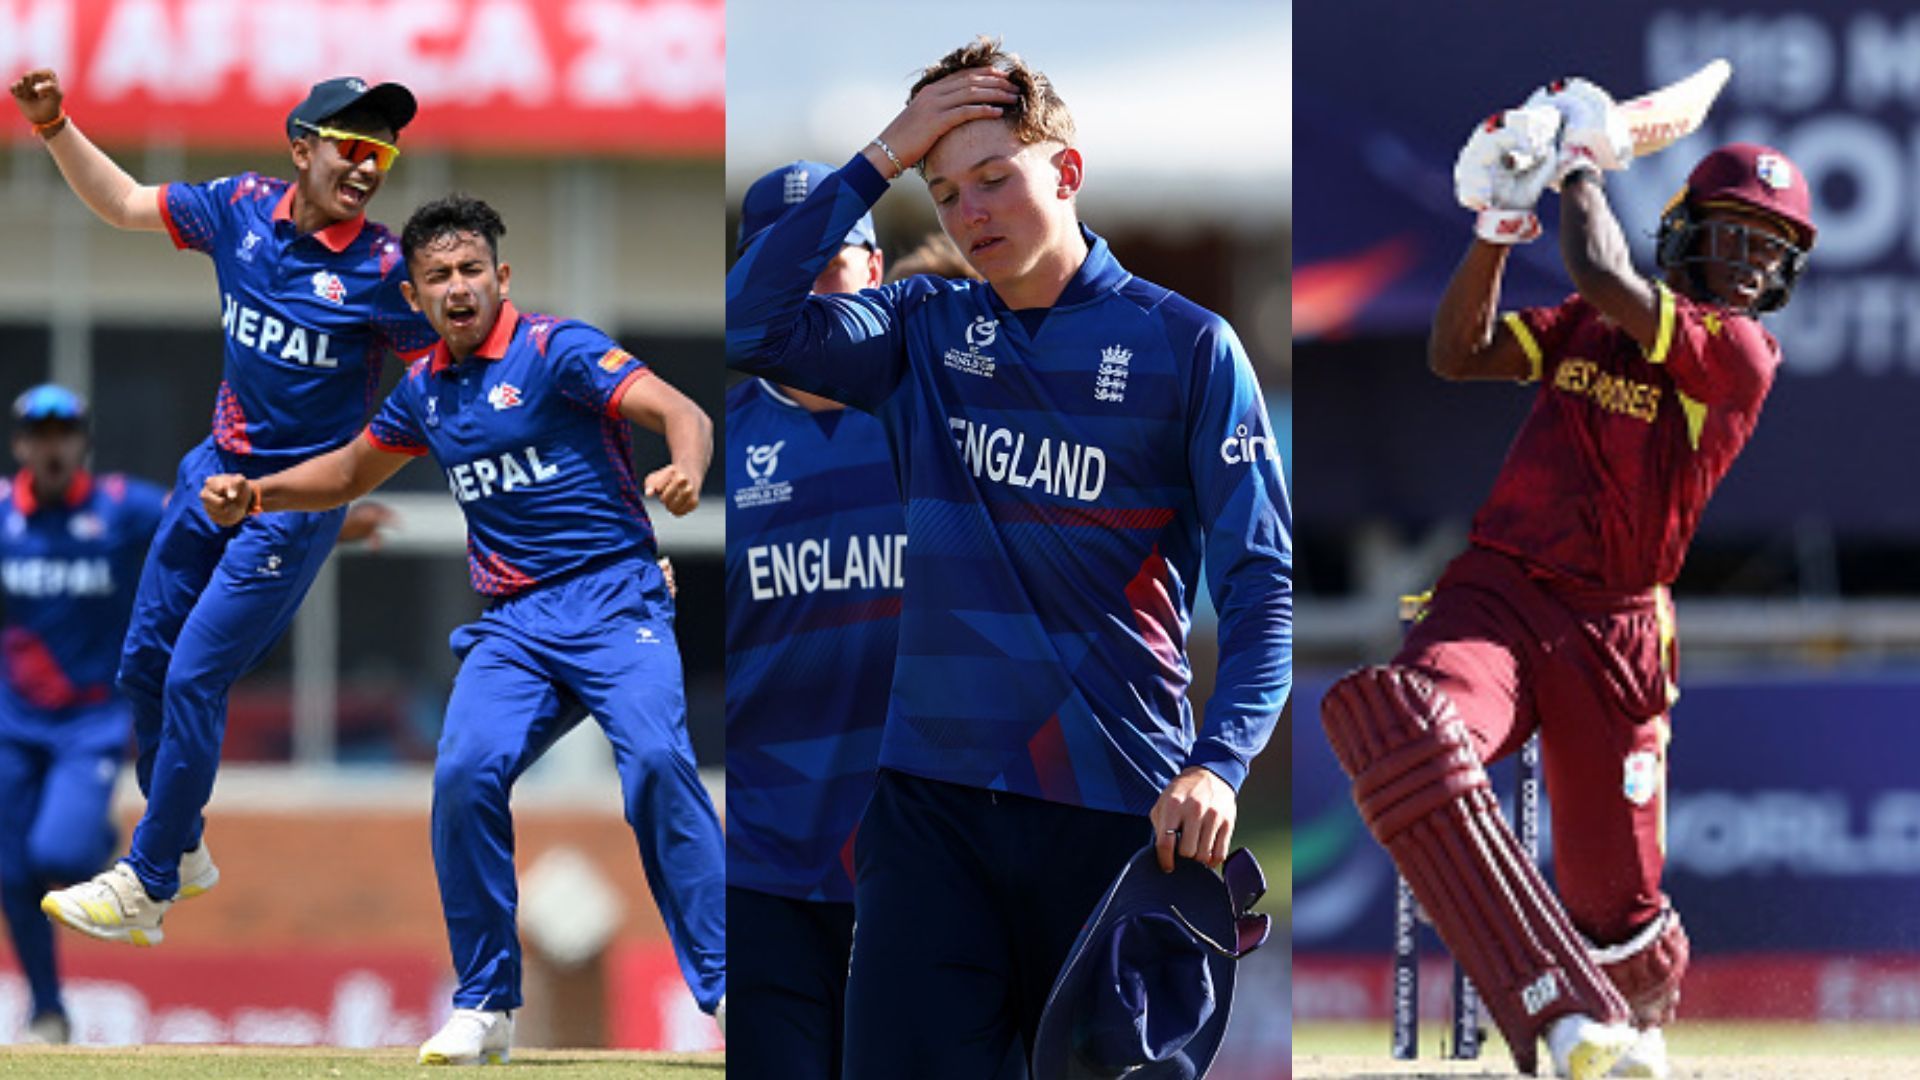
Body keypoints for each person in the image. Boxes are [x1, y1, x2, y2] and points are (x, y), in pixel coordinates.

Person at [725, 39, 1292, 1077]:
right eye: (943, 193)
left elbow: (1261, 588)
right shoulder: (920, 328)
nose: (969, 212)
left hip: (1118, 812)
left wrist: (1219, 762)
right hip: (928, 810)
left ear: (1066, 172)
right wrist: (882, 153)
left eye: (995, 179)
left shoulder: (1189, 345)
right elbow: (751, 322)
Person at [1318, 79, 1817, 1080]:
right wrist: (1499, 223)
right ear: (1683, 233)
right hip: (1496, 594)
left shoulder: (1740, 357)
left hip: (1618, 636)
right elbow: (1457, 351)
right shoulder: (1591, 332)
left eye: (1775, 248)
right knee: (1402, 724)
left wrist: (1580, 161)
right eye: (1738, 235)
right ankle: (1560, 1016)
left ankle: (1616, 1023)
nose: (1756, 262)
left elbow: (1596, 262)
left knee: (1624, 933)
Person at [197, 194, 725, 1065]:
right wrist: (257, 493)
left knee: (660, 763)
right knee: (465, 773)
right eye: (437, 276)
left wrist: (687, 470)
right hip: (514, 626)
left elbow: (685, 415)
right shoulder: (425, 392)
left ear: (500, 277)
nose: (457, 287)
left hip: (613, 602)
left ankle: (729, 982)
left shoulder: (558, 350)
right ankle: (486, 1003)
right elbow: (346, 473)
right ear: (414, 296)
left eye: (471, 270)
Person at [11, 69, 439, 945]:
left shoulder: (385, 267)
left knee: (194, 677)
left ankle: (151, 879)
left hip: (288, 506)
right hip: (210, 476)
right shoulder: (239, 207)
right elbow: (127, 201)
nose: (367, 168)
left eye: (383, 153)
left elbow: (445, 382)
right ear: (300, 147)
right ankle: (189, 847)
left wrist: (353, 485)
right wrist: (54, 127)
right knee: (142, 670)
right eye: (352, 147)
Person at [726, 160, 904, 1080]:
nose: (818, 280)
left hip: (920, 865)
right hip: (767, 863)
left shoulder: (930, 416)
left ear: (877, 273)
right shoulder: (723, 447)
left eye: (838, 258)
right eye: (792, 261)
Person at [0, 386, 164, 1044]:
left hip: (91, 721)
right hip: (12, 721)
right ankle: (48, 1010)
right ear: (20, 446)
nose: (51, 445)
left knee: (59, 852)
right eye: (38, 434)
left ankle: (99, 842)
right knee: (10, 871)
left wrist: (310, 519)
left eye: (63, 432)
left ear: (81, 442)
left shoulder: (121, 507)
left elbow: (208, 522)